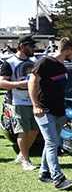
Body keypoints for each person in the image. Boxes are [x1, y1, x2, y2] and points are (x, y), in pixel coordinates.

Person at [28, 37, 72, 190]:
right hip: (44, 111)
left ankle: (44, 174)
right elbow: (32, 82)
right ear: (68, 50)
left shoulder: (62, 66)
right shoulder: (44, 62)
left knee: (51, 142)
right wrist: (36, 105)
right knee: (52, 143)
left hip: (59, 111)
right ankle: (58, 179)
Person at [0, 35, 40, 170]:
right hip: (18, 101)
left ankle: (22, 155)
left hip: (33, 100)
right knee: (22, 131)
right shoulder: (9, 62)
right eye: (31, 46)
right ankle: (26, 161)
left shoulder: (34, 61)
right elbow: (2, 82)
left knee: (34, 130)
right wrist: (21, 84)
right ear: (22, 46)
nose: (34, 48)